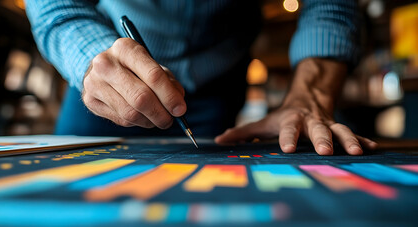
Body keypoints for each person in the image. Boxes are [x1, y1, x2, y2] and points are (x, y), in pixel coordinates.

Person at [25, 0, 377, 155]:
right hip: (106, 73)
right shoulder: (102, 69)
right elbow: (55, 5)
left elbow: (330, 6)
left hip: (221, 79)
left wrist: (308, 97)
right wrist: (89, 55)